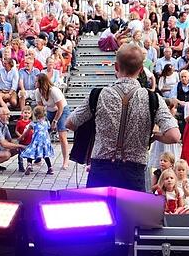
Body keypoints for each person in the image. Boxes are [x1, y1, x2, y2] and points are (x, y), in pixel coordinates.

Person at [66, 44, 180, 192]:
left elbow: (70, 123)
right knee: (131, 215)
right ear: (140, 70)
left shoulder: (98, 95)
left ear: (116, 67)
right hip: (133, 172)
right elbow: (174, 135)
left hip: (101, 169)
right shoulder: (153, 99)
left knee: (100, 214)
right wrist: (154, 136)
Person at [19, 105, 54, 175]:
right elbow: (50, 129)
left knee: (30, 153)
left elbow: (26, 132)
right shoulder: (47, 122)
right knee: (46, 155)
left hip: (36, 141)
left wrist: (21, 137)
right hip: (45, 142)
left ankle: (29, 165)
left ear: (34, 114)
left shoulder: (34, 123)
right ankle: (50, 168)